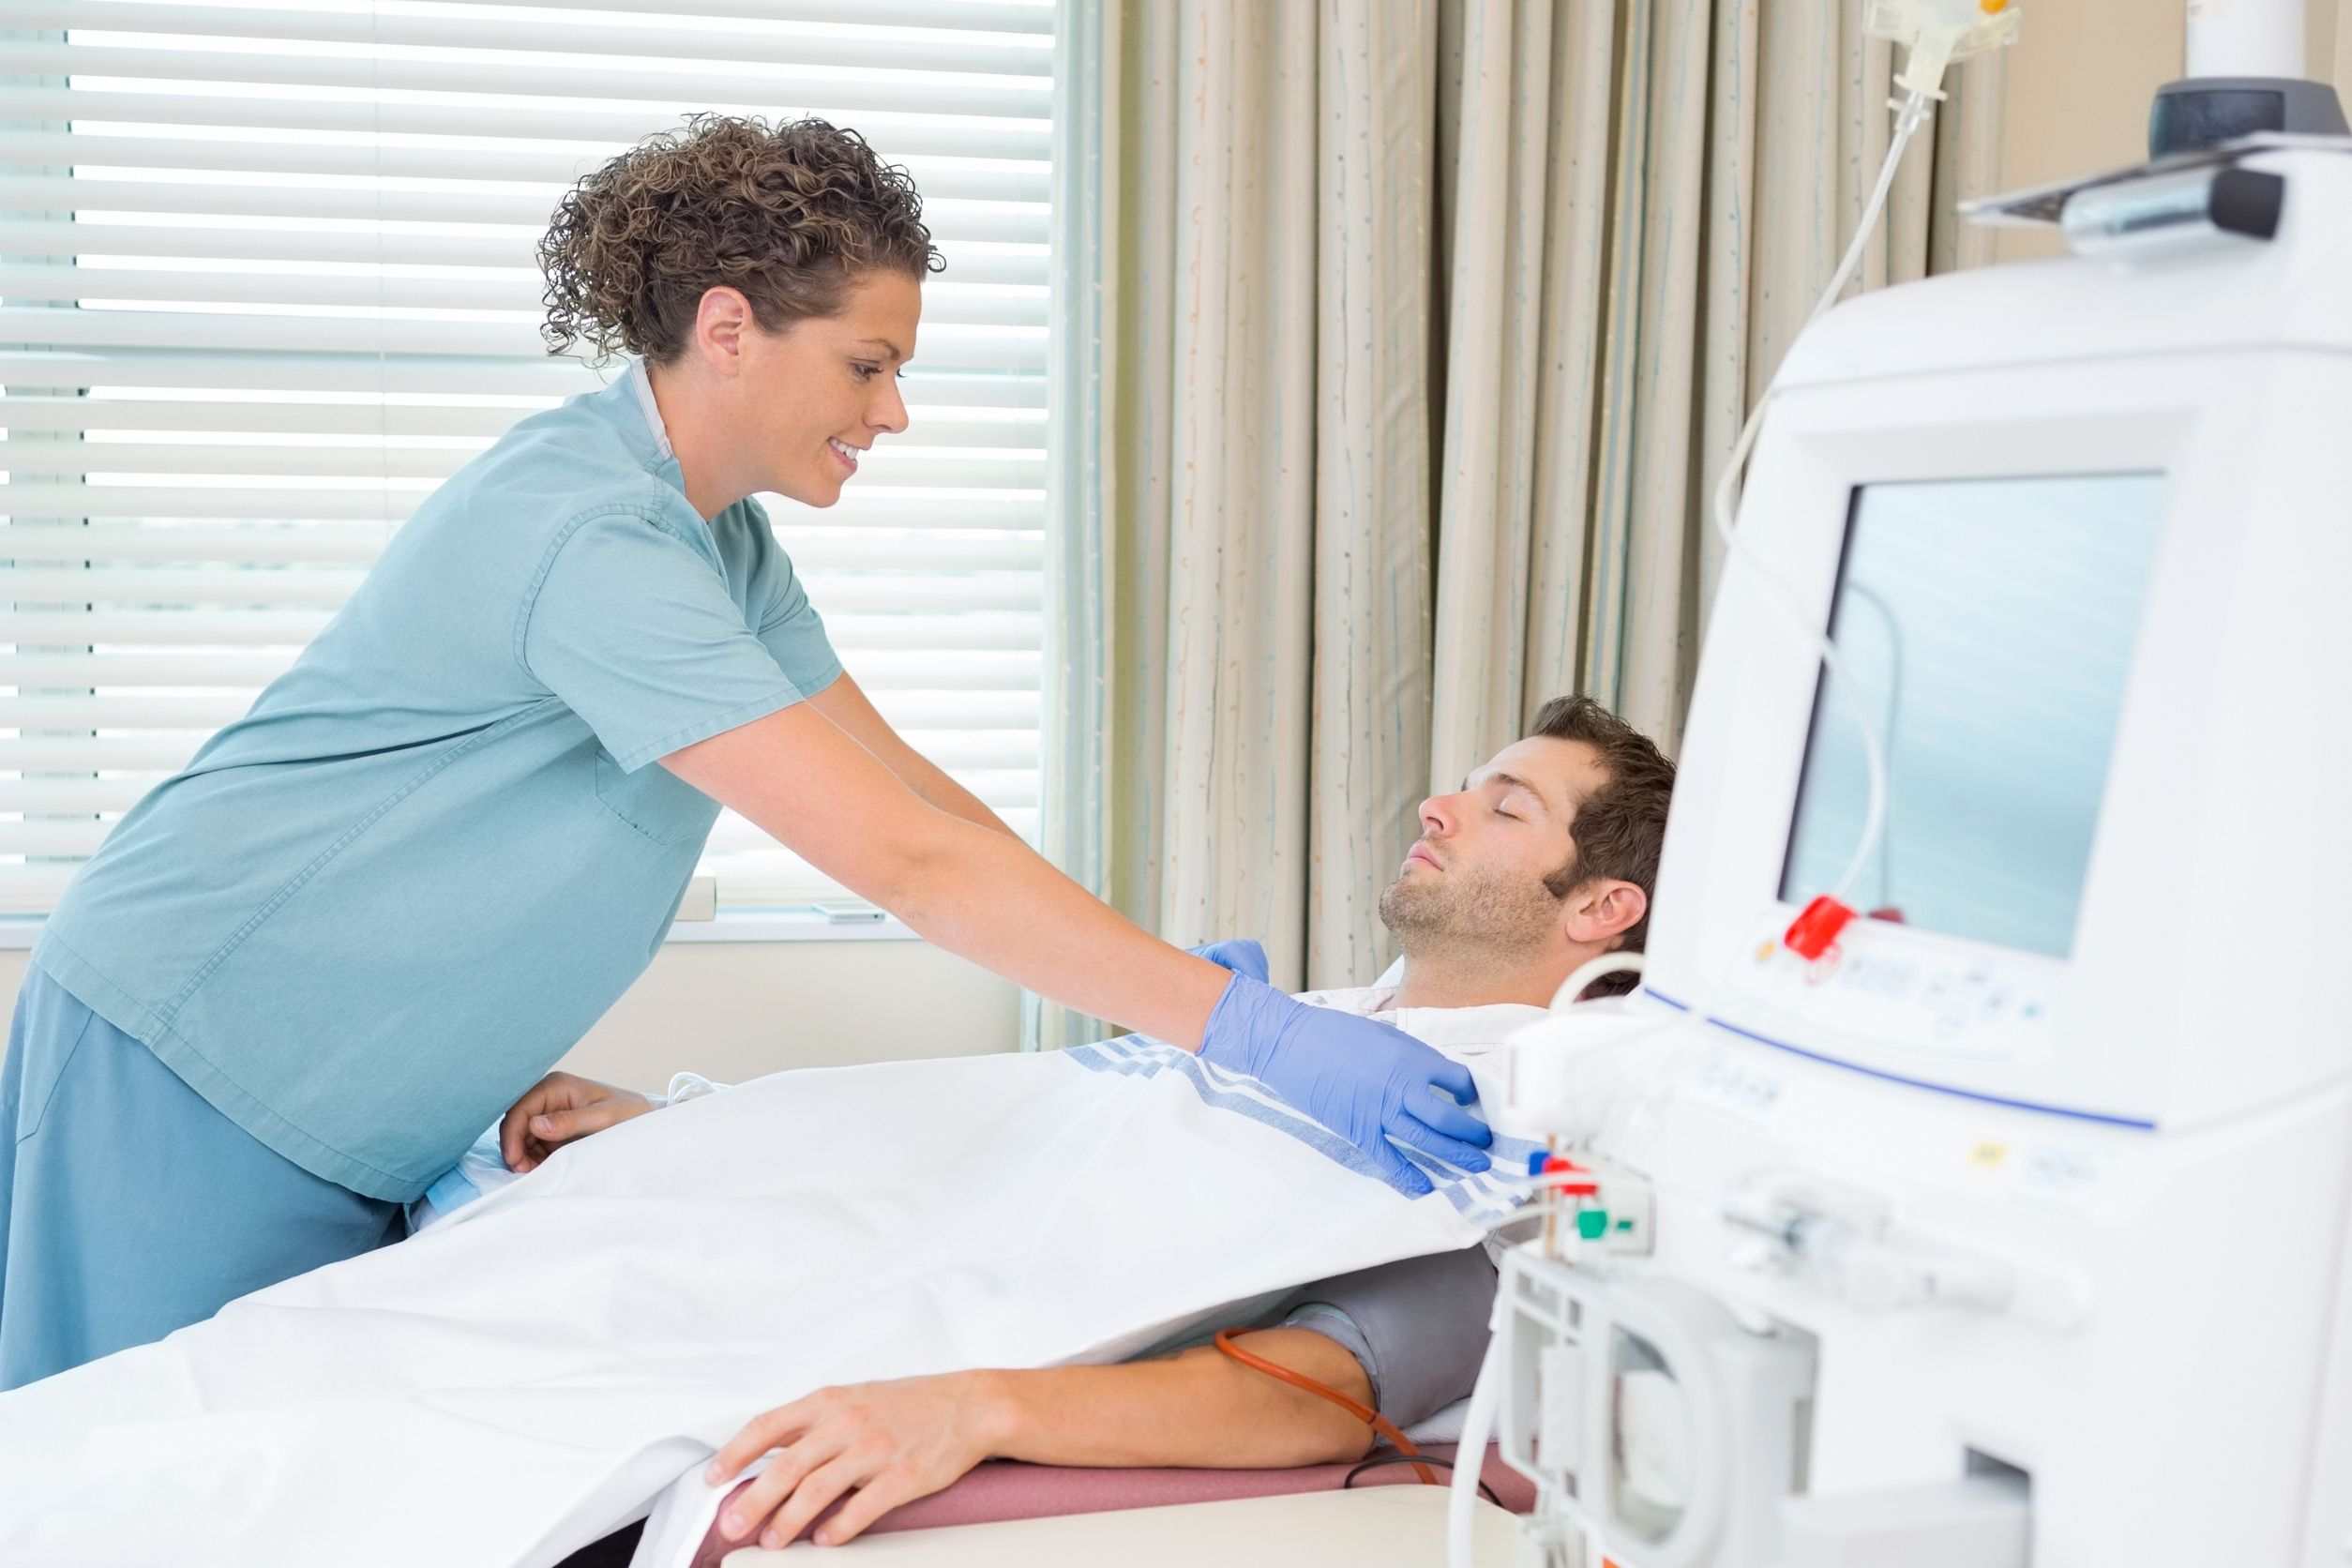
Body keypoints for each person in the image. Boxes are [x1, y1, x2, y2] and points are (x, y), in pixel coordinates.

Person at [0, 115, 1488, 1394]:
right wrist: (1251, 1035)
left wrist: (1168, 989)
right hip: (190, 1058)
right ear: (729, 329)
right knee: (118, 1484)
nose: (891, 412)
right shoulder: (589, 533)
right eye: (866, 365)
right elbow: (903, 865)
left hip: (340, 1100)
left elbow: (915, 799)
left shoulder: (717, 541)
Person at [517, 695, 1676, 1557]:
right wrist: (689, 1130)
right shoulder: (1310, 1024)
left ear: (1601, 907)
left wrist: (973, 1404)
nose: (1440, 803)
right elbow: (1009, 1134)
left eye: (1504, 804)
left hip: (917, 1317)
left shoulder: (1511, 1115)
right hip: (883, 1251)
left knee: (535, 1445)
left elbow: (1313, 1386)